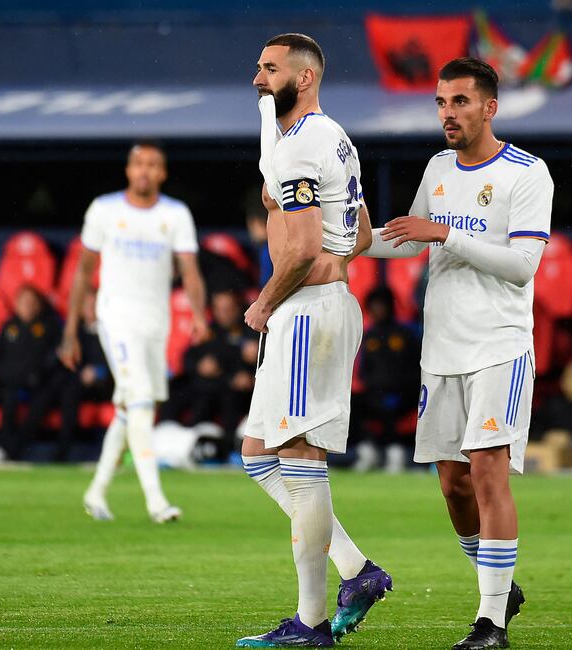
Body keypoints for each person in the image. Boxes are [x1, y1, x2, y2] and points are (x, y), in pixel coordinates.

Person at [364, 57, 553, 649]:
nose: (448, 113)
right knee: (454, 484)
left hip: (499, 344)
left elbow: (522, 267)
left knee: (489, 471)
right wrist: (345, 237)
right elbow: (407, 237)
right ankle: (500, 583)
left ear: (489, 107)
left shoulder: (527, 173)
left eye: (461, 102)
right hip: (441, 348)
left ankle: (490, 622)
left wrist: (447, 233)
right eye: (442, 102)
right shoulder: (438, 167)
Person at [236, 34, 391, 648]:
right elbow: (353, 234)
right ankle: (355, 570)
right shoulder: (329, 139)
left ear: (302, 78)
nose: (256, 79)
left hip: (305, 312)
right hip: (313, 307)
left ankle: (312, 622)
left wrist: (265, 302)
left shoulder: (305, 144)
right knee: (257, 453)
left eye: (268, 69)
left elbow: (302, 248)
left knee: (300, 458)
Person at [59, 141, 208, 524]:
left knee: (132, 408)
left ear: (162, 173)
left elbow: (189, 270)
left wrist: (198, 315)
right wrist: (71, 330)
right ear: (128, 170)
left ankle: (96, 492)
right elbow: (83, 272)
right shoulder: (104, 210)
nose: (144, 171)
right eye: (138, 164)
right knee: (140, 400)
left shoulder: (175, 214)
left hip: (155, 322)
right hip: (116, 317)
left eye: (152, 165)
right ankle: (156, 502)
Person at [0, 285, 79, 463]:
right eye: (23, 302)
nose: (27, 306)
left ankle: (12, 451)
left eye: (31, 302)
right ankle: (2, 447)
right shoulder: (9, 326)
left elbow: (56, 355)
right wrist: (6, 374)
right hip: (12, 382)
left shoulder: (50, 325)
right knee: (7, 397)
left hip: (41, 382)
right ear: (16, 304)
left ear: (38, 305)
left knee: (41, 404)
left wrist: (38, 373)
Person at [161, 289, 257, 458]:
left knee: (229, 396)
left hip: (241, 392)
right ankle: (170, 440)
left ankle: (231, 447)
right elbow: (188, 359)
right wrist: (199, 365)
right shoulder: (208, 332)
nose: (224, 314)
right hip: (209, 387)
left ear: (238, 308)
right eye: (219, 309)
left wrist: (253, 370)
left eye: (229, 309)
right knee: (179, 391)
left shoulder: (252, 333)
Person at [353, 286, 421, 473]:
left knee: (389, 406)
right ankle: (367, 451)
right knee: (354, 403)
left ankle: (394, 454)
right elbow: (364, 371)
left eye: (380, 305)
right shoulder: (370, 335)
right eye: (373, 305)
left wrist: (397, 387)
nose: (377, 310)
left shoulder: (406, 334)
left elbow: (416, 368)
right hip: (375, 392)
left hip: (405, 392)